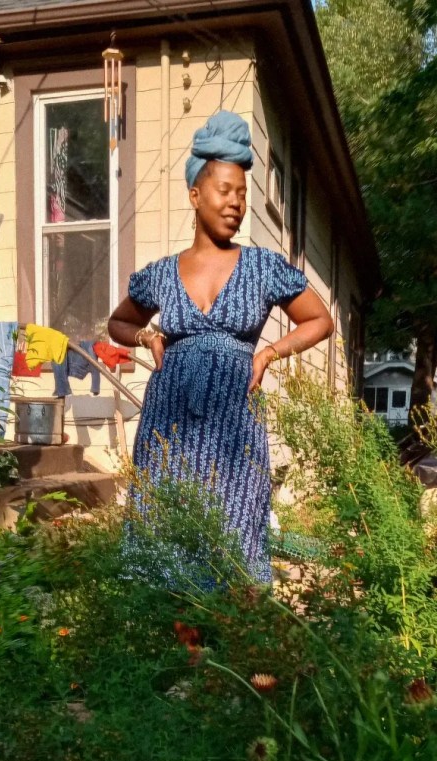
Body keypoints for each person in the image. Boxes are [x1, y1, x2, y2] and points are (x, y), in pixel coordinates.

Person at [108, 111, 333, 587]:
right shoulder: (161, 274)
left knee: (235, 523)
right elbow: (120, 322)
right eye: (225, 190)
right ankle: (167, 634)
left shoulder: (262, 267)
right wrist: (148, 337)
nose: (236, 203)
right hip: (170, 419)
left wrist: (270, 353)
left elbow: (320, 320)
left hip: (234, 423)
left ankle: (229, 637)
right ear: (195, 195)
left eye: (243, 194)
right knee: (163, 521)